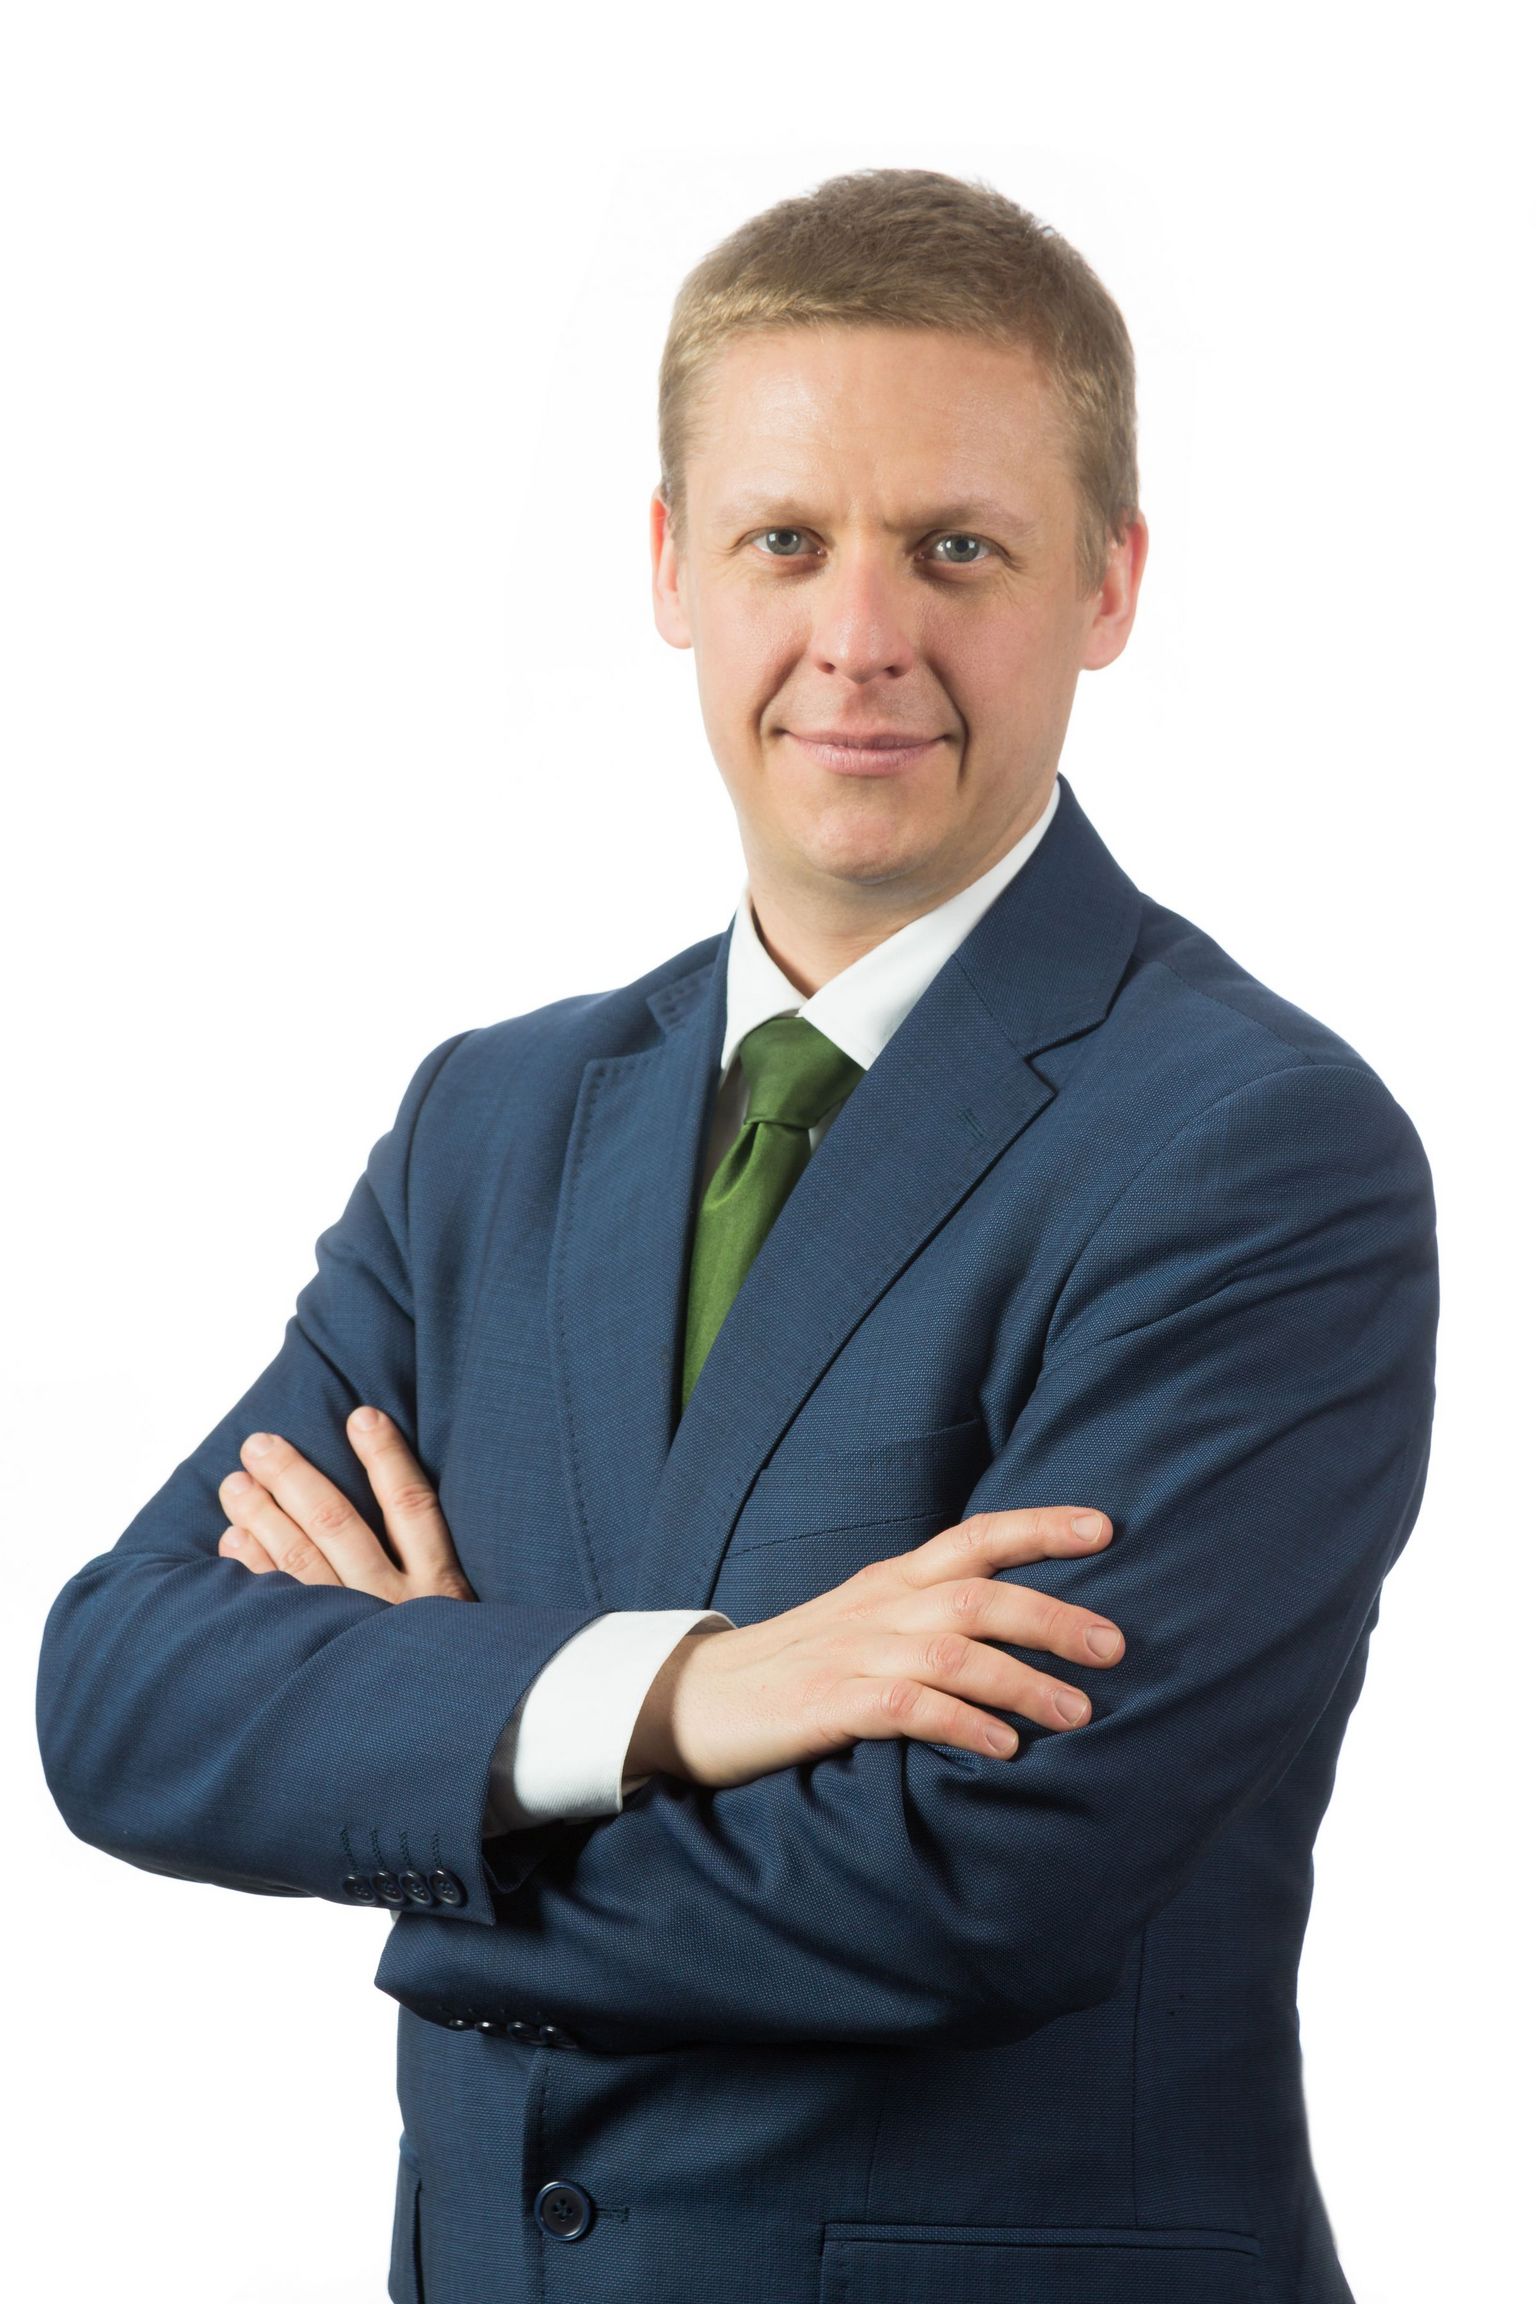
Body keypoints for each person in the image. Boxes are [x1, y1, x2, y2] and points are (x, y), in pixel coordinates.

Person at [35, 167, 1438, 2304]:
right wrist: (692, 1695)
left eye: (956, 548)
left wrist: (420, 1783)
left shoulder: (1251, 1155)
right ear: (672, 566)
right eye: (787, 540)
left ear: (1109, 583)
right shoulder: (494, 1123)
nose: (860, 638)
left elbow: (967, 1884)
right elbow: (123, 1689)